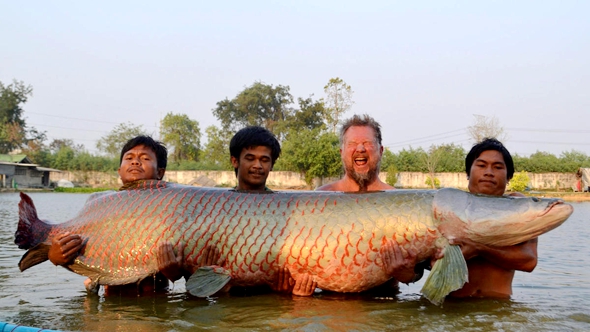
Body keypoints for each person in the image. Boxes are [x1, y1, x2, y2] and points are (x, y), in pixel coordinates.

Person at [161, 126, 317, 296]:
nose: (257, 165)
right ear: (235, 161)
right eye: (250, 158)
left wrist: (289, 290)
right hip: (225, 302)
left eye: (264, 160)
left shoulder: (286, 207)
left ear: (271, 165)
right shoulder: (216, 207)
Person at [48, 135, 198, 295]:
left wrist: (175, 273)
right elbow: (86, 261)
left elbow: (187, 266)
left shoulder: (171, 208)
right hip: (111, 304)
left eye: (145, 158)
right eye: (129, 157)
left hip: (156, 301)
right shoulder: (99, 203)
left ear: (160, 172)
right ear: (119, 171)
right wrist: (55, 257)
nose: (135, 162)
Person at [317, 114, 422, 290]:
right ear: (341, 153)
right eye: (352, 144)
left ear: (380, 151)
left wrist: (410, 275)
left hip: (383, 304)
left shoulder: (399, 203)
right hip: (329, 307)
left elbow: (421, 264)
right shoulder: (320, 198)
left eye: (367, 143)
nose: (360, 149)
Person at [446, 137, 538, 298]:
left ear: (508, 177)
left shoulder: (520, 207)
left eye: (497, 167)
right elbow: (429, 261)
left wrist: (479, 247)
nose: (488, 172)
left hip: (498, 309)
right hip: (451, 307)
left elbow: (528, 261)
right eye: (481, 165)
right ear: (468, 173)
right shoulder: (449, 205)